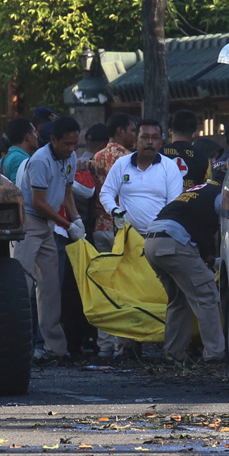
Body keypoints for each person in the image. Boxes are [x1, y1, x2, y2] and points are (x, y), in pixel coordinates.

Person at [98, 119, 183, 361]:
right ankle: (127, 348)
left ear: (162, 141)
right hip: (128, 240)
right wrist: (115, 212)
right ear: (136, 140)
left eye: (154, 138)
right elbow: (106, 192)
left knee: (162, 292)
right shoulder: (122, 164)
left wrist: (161, 229)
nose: (149, 142)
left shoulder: (169, 168)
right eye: (144, 137)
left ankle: (166, 346)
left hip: (159, 239)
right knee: (128, 293)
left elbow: (175, 203)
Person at [12, 117, 84, 365]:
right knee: (20, 285)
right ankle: (14, 346)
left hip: (48, 225)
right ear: (53, 140)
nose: (71, 148)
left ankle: (56, 349)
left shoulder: (70, 157)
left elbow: (66, 193)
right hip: (29, 222)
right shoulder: (41, 160)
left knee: (50, 288)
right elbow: (40, 203)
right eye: (66, 144)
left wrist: (77, 218)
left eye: (75, 143)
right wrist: (68, 225)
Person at [144, 164, 227, 366]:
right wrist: (211, 258)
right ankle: (215, 354)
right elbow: (211, 229)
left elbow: (195, 221)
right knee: (206, 294)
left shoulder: (197, 190)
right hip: (174, 241)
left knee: (178, 299)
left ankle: (174, 353)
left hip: (152, 242)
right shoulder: (222, 196)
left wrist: (207, 257)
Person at [89, 114, 136, 359]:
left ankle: (104, 345)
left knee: (104, 289)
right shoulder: (128, 159)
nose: (135, 135)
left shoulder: (95, 158)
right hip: (121, 230)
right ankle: (123, 346)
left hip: (100, 228)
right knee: (125, 288)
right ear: (120, 131)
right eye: (132, 129)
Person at [162, 110, 208, 190]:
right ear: (194, 134)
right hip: (192, 202)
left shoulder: (158, 154)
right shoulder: (203, 159)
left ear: (170, 131)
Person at [0, 118, 38, 183]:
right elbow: (19, 190)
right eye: (34, 132)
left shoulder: (0, 162)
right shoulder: (21, 159)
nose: (36, 136)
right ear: (28, 136)